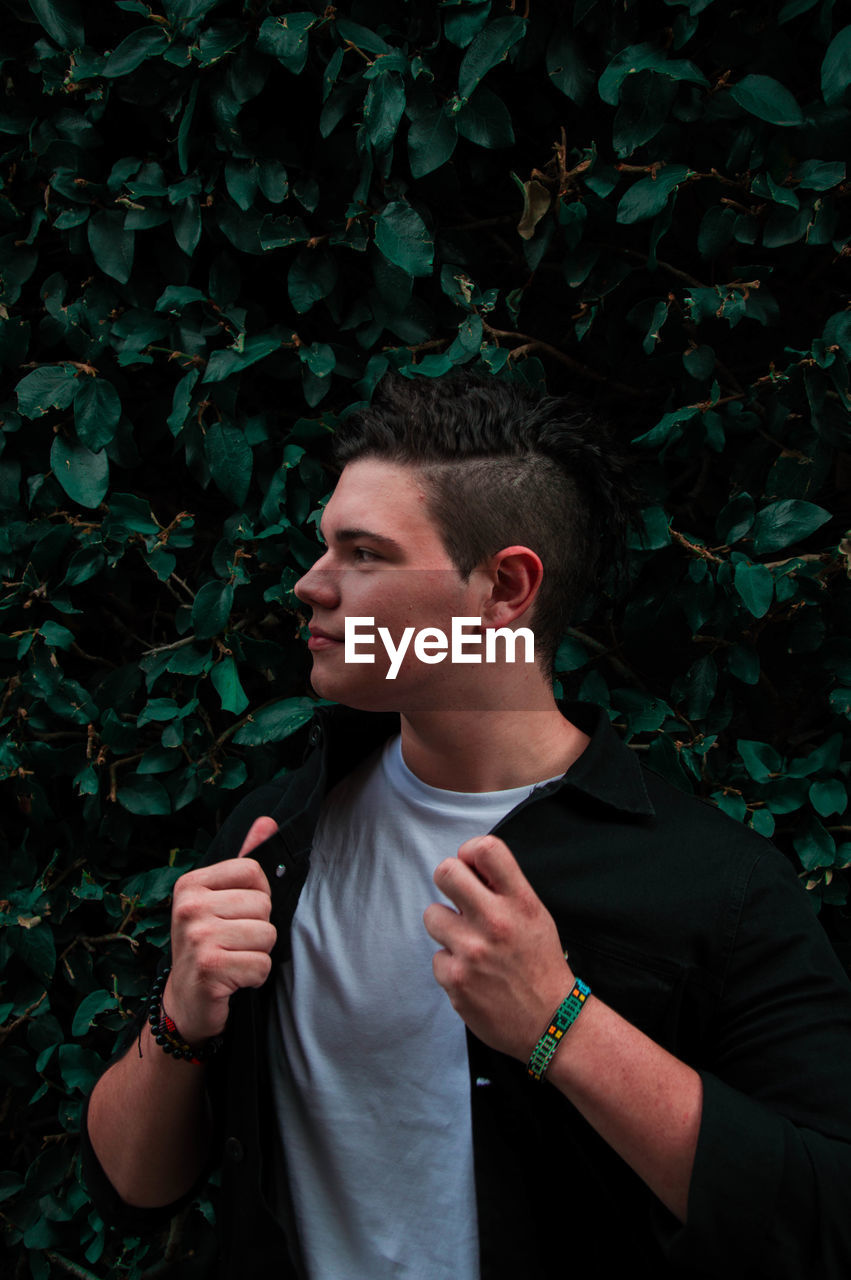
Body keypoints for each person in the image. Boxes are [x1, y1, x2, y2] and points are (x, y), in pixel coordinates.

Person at [82, 374, 851, 1279]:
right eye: (324, 547)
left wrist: (560, 1024)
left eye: (363, 553)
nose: (309, 585)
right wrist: (180, 1016)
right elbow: (130, 1190)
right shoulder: (276, 833)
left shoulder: (715, 887)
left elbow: (826, 1223)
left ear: (504, 586)